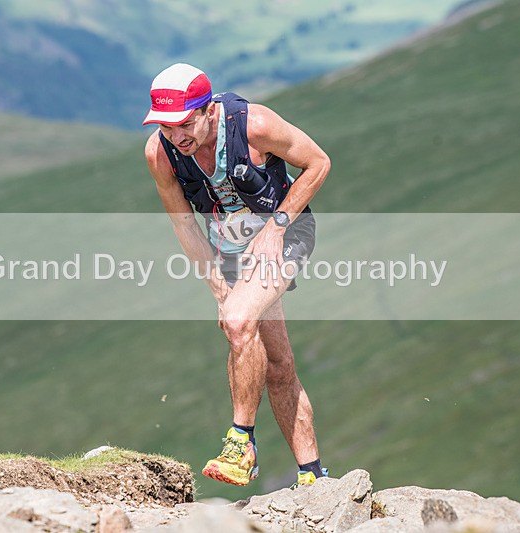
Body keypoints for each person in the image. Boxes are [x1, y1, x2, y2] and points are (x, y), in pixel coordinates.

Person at [143, 63, 330, 487]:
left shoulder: (256, 126)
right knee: (278, 364)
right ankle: (314, 476)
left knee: (238, 321)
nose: (176, 137)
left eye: (184, 124)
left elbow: (318, 164)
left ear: (208, 110)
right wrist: (215, 282)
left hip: (286, 235)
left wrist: (276, 226)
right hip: (229, 250)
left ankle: (240, 444)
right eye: (166, 127)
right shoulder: (161, 153)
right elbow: (184, 224)